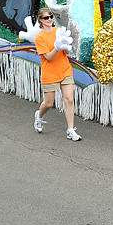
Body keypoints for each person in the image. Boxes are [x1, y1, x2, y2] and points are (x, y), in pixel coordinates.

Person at [32, 8, 81, 141]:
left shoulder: (58, 31)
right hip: (50, 73)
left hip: (65, 70)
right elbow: (48, 57)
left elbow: (66, 53)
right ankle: (39, 116)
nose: (49, 19)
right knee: (48, 103)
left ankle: (70, 129)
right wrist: (57, 47)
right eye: (46, 18)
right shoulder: (40, 37)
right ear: (41, 20)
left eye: (50, 17)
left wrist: (65, 46)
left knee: (69, 99)